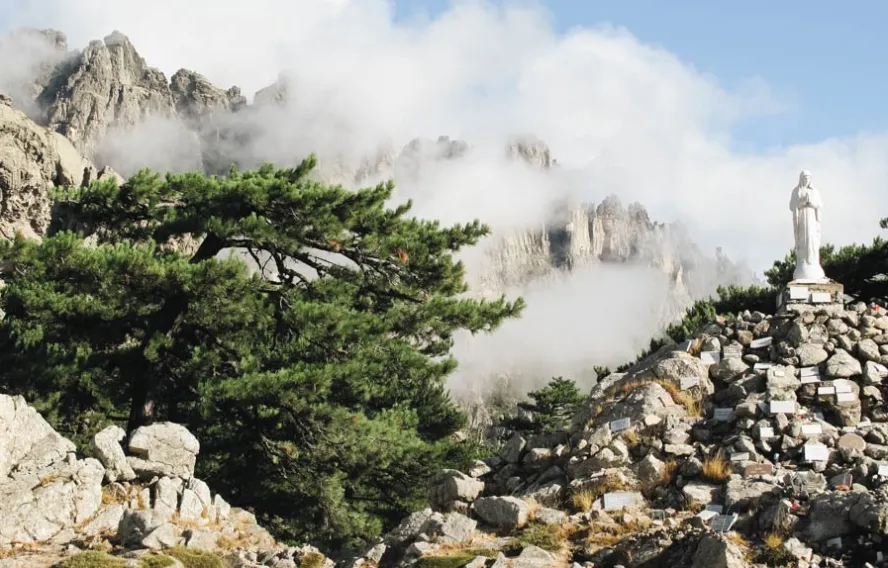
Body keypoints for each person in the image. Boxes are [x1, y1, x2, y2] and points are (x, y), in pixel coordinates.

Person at [789, 170, 826, 281]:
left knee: (812, 239)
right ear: (801, 179)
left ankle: (813, 262)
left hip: (812, 218)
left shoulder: (815, 191)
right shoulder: (796, 191)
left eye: (808, 178)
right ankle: (803, 261)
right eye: (804, 178)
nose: (806, 180)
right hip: (801, 218)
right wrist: (801, 202)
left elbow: (820, 205)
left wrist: (812, 203)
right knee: (803, 239)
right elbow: (792, 206)